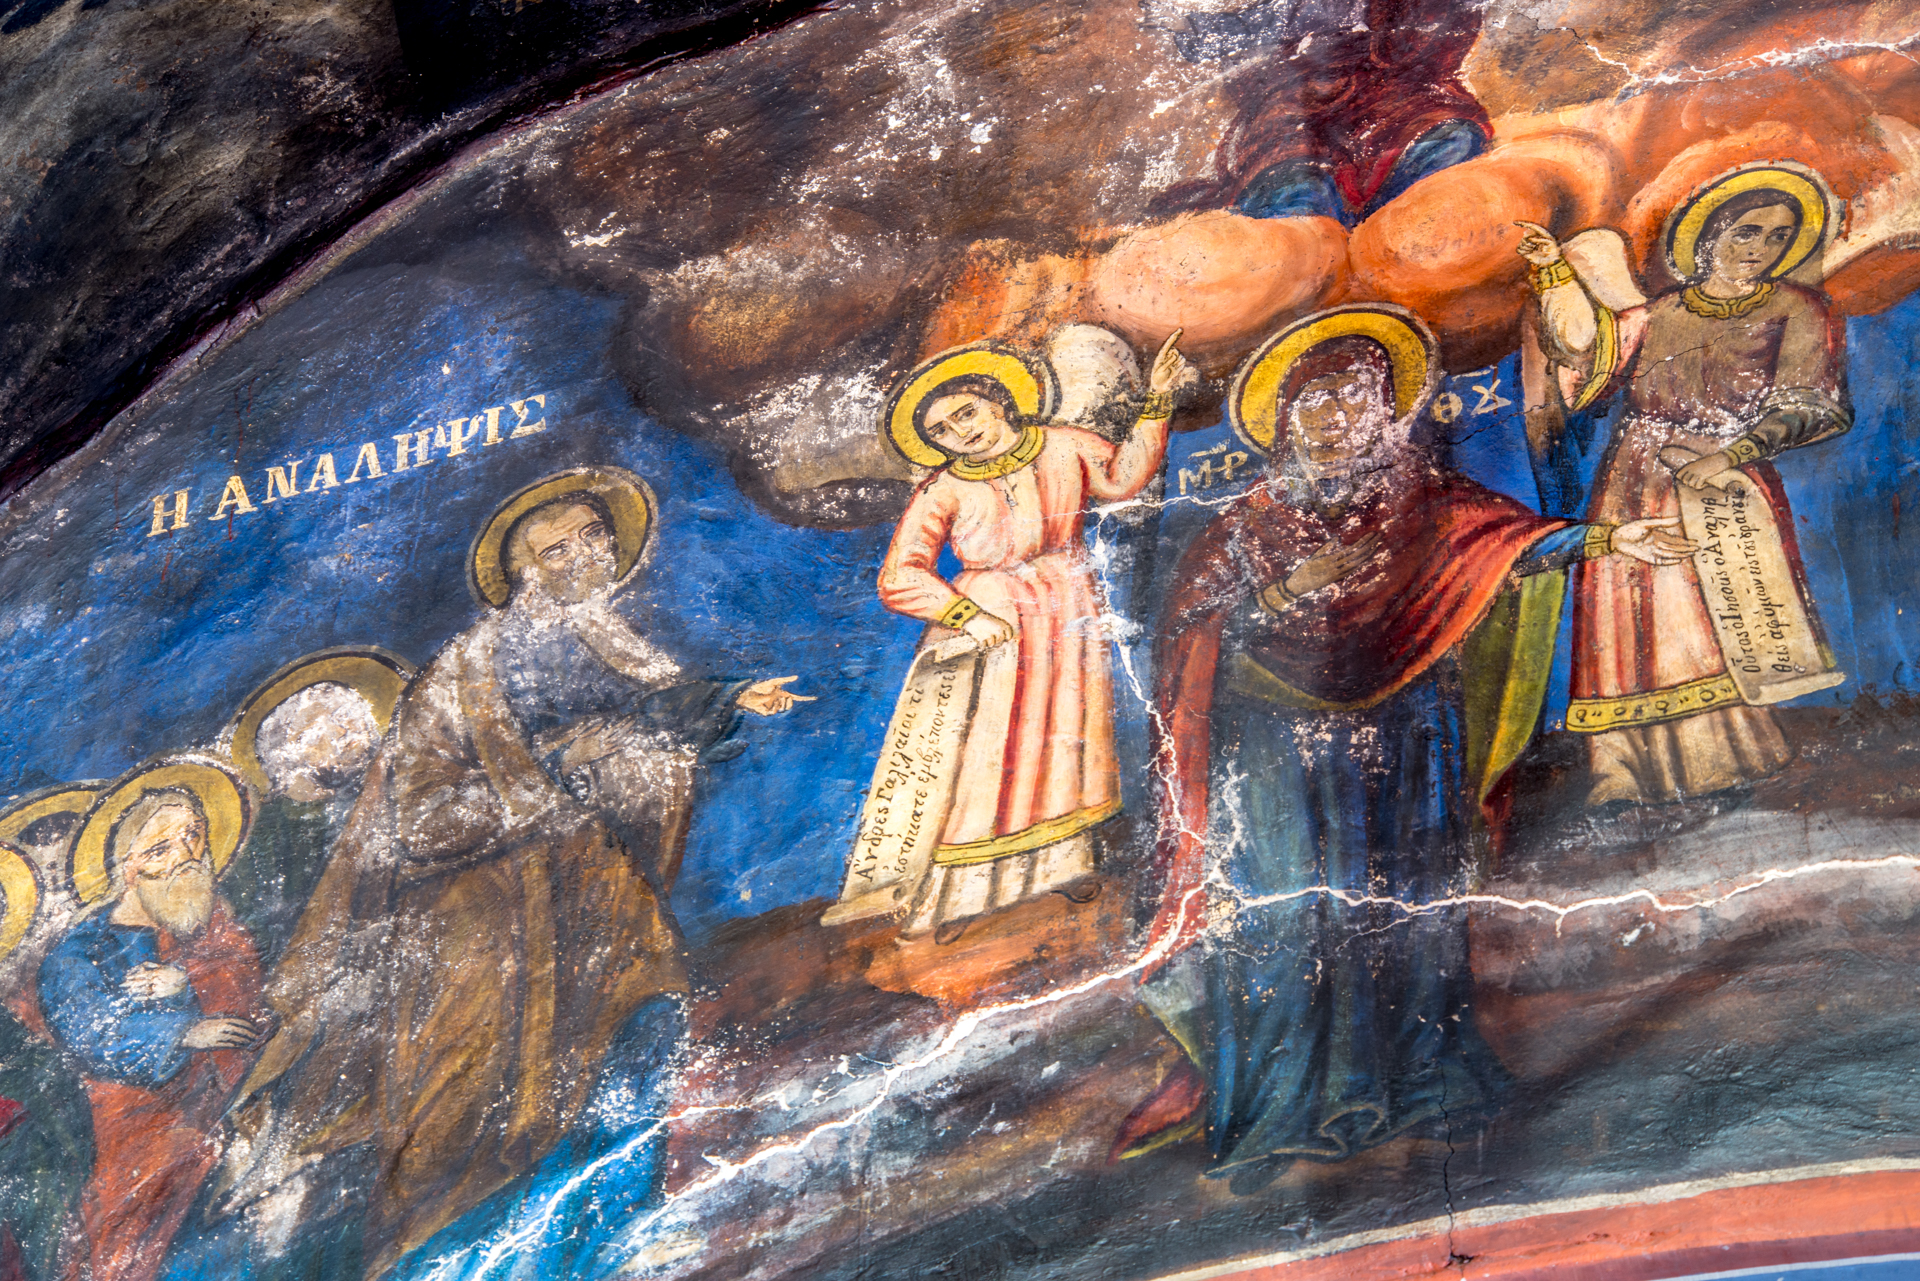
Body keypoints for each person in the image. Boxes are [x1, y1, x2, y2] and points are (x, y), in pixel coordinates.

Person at [1114, 306, 1692, 1178]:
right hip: (1273, 756)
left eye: (1355, 398)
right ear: (1285, 418)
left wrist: (1610, 538)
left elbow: (1505, 546)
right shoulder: (1242, 526)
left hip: (1405, 735)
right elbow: (1194, 635)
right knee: (1286, 927)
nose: (1334, 418)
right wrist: (1286, 594)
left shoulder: (1425, 500)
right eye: (1315, 402)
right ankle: (1280, 1108)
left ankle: (1417, 1084)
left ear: (1386, 411)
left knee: (1407, 915)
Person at [237, 466, 807, 1278]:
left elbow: (660, 720)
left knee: (641, 1035)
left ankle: (615, 1247)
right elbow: (420, 820)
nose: (582, 555)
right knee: (465, 1116)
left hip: (601, 900)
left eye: (593, 536)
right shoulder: (462, 673)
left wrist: (726, 703)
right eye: (556, 548)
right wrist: (558, 769)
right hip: (480, 931)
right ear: (521, 572)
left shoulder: (621, 647)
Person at [824, 332, 1196, 943]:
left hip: (1066, 606)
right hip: (991, 622)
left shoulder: (1064, 444)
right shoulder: (943, 488)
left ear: (999, 402)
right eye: (943, 430)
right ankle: (961, 896)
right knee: (985, 758)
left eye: (966, 412)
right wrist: (965, 615)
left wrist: (1156, 401)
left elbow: (1121, 478)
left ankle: (1060, 867)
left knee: (1065, 743)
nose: (960, 432)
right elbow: (898, 577)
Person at [1517, 162, 1852, 805]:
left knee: (1706, 618)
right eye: (1747, 231)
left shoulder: (1795, 308)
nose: (1760, 248)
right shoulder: (1660, 313)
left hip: (1724, 480)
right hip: (1634, 476)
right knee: (1622, 612)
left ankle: (1723, 759)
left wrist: (1733, 454)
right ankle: (1620, 771)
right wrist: (1553, 271)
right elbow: (1586, 351)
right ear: (1710, 235)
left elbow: (1814, 403)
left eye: (1778, 237)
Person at [35, 760, 265, 1281]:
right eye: (161, 849)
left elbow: (245, 981)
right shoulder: (80, 953)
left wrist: (186, 978)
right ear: (128, 869)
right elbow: (90, 1031)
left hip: (221, 1102)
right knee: (129, 1235)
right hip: (138, 1124)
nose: (186, 856)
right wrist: (183, 1033)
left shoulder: (209, 924)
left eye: (193, 836)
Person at [219, 649, 413, 967]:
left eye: (354, 719)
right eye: (334, 723)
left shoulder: (394, 785)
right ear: (289, 748)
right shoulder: (266, 837)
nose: (351, 734)